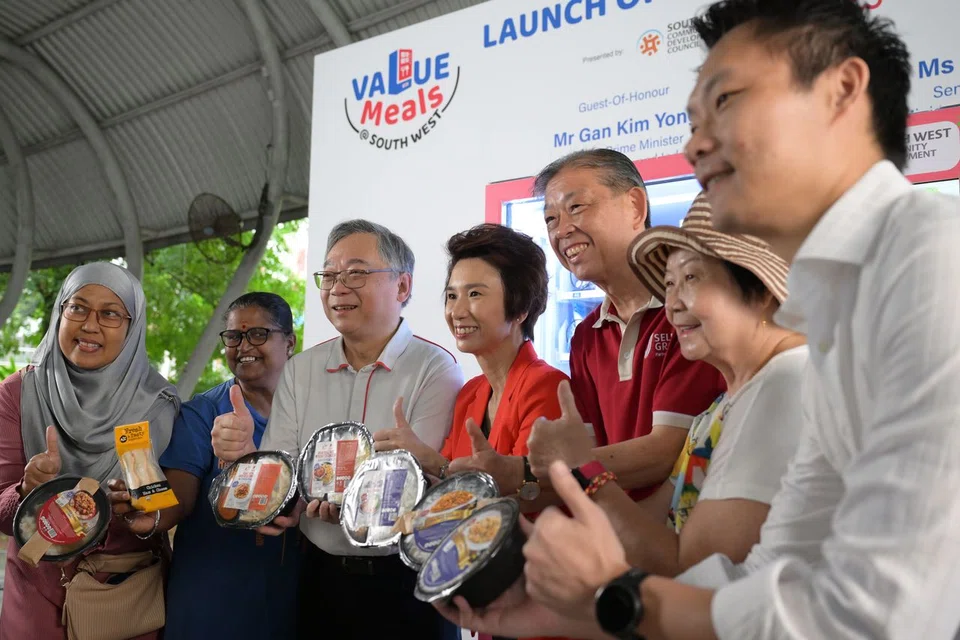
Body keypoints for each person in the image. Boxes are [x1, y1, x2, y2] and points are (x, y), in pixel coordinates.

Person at [439, 1, 960, 639]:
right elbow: (761, 571)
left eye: (728, 101)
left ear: (841, 91)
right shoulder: (834, 325)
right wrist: (573, 612)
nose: (694, 143)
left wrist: (613, 600)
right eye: (692, 119)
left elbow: (879, 610)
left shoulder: (932, 263)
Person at [526, 192, 807, 578]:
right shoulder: (723, 407)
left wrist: (582, 468)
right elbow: (656, 521)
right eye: (669, 283)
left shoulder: (786, 385)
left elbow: (688, 563)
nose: (672, 303)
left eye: (691, 278)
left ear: (758, 290)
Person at [212, 220, 464, 640]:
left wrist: (355, 506)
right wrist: (254, 473)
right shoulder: (301, 370)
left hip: (409, 585)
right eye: (328, 275)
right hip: (320, 578)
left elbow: (419, 486)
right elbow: (287, 473)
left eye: (356, 273)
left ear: (402, 287)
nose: (336, 288)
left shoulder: (435, 369)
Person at [528, 150, 726, 508]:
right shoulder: (586, 335)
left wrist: (527, 474)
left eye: (576, 208)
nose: (562, 230)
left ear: (635, 206)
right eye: (550, 219)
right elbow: (588, 451)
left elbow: (664, 452)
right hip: (627, 536)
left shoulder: (689, 316)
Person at [0, 262, 180, 640]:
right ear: (59, 312)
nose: (89, 324)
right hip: (38, 594)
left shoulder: (158, 405)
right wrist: (26, 492)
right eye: (77, 307)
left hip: (126, 593)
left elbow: (171, 509)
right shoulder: (18, 394)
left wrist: (143, 511)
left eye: (110, 314)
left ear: (132, 330)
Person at [110, 292, 300, 638]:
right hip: (213, 596)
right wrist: (148, 515)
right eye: (233, 336)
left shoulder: (310, 409)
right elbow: (180, 498)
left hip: (294, 591)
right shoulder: (203, 413)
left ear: (289, 342)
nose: (244, 346)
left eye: (258, 334)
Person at [374, 224, 568, 507]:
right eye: (452, 296)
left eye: (474, 294)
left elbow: (524, 499)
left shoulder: (547, 387)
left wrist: (430, 459)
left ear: (521, 307)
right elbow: (449, 489)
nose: (457, 311)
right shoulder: (470, 393)